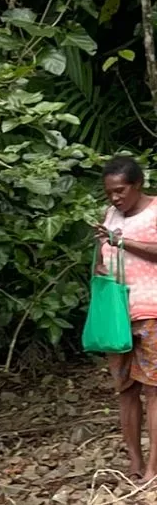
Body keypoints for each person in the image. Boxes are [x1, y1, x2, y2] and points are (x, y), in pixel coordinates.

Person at [98, 155, 157, 480]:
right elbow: (103, 256)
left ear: (137, 185)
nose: (115, 198)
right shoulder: (110, 215)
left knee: (154, 390)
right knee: (126, 389)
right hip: (118, 317)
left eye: (120, 191)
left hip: (152, 312)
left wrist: (122, 241)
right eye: (110, 192)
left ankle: (153, 468)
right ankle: (134, 462)